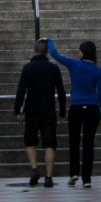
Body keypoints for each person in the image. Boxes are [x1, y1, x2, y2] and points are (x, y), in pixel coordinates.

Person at [46, 37, 101, 188]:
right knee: (88, 144)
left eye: (80, 50)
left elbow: (55, 54)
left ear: (83, 53)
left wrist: (49, 40)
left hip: (76, 107)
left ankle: (74, 173)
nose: (78, 52)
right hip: (92, 108)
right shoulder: (98, 70)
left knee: (74, 141)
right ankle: (87, 179)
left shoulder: (74, 64)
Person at [14, 38, 66, 187]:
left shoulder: (28, 68)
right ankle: (48, 177)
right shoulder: (53, 69)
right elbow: (61, 92)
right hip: (48, 109)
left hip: (31, 109)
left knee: (30, 141)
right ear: (47, 52)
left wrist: (18, 110)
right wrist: (62, 111)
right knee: (50, 143)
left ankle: (34, 168)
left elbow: (21, 91)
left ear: (34, 50)